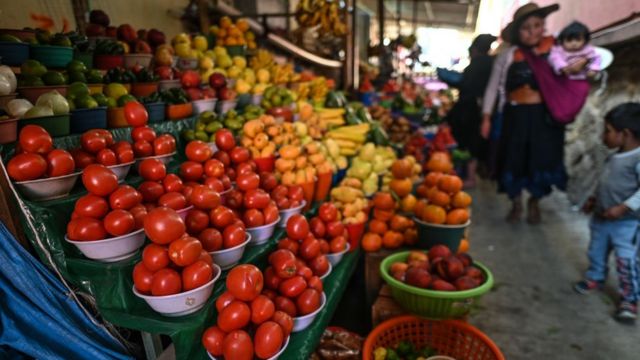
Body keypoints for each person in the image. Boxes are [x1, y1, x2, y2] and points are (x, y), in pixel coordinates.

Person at [481, 3, 589, 224]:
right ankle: (517, 202)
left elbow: (576, 73)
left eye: (537, 25)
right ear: (517, 31)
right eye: (526, 27)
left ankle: (535, 202)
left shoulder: (556, 52)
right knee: (514, 158)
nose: (532, 31)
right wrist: (486, 117)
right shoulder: (508, 56)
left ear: (543, 26)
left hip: (543, 118)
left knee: (541, 159)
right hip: (515, 117)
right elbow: (493, 87)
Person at [574, 103, 640, 324]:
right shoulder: (615, 155)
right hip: (602, 216)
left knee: (626, 260)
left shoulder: (637, 160)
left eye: (608, 131)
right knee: (596, 249)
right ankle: (596, 277)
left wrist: (623, 208)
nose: (604, 136)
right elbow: (605, 182)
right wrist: (593, 198)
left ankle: (629, 299)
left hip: (626, 223)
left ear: (626, 134)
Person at [437, 34, 497, 187]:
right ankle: (467, 172)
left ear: (475, 49)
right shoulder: (490, 62)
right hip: (479, 108)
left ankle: (469, 177)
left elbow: (465, 84)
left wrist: (445, 76)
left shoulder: (478, 64)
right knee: (473, 140)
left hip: (471, 109)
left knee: (470, 141)